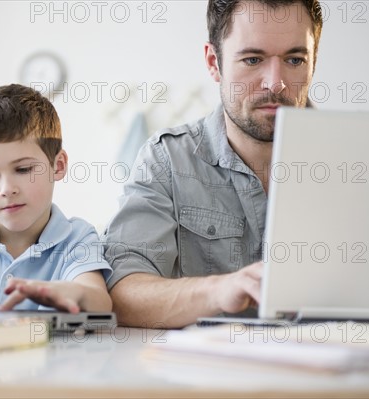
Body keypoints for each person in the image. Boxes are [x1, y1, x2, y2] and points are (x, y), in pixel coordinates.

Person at [103, 0, 323, 328]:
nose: (275, 83)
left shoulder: (362, 160)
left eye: (294, 59)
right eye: (253, 59)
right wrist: (219, 290)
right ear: (213, 62)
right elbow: (123, 293)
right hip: (205, 377)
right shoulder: (167, 160)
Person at [0, 84, 112, 313]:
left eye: (23, 170)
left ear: (57, 166)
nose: (7, 189)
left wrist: (72, 292)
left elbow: (100, 302)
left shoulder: (77, 238)